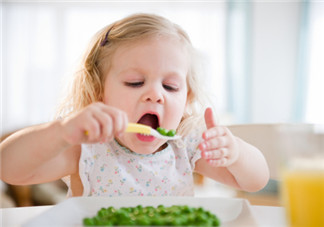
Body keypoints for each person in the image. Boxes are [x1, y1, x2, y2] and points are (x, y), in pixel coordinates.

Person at [0, 13, 269, 197]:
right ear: (98, 92)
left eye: (170, 87)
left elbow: (256, 181)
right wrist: (60, 132)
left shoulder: (185, 147)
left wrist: (236, 153)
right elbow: (8, 168)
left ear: (187, 99)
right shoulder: (88, 149)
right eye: (135, 82)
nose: (155, 95)